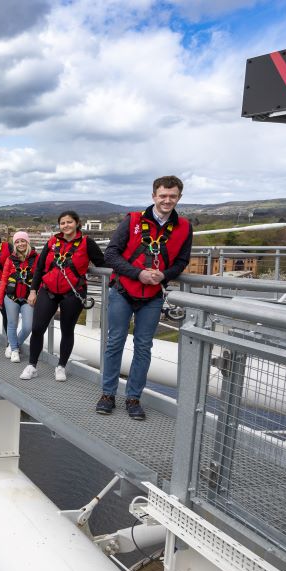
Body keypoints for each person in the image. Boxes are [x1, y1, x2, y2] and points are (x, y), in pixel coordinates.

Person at [98, 176, 192, 420]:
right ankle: (108, 394)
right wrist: (138, 273)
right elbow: (111, 254)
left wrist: (164, 275)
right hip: (123, 290)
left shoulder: (184, 227)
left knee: (143, 347)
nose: (167, 200)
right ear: (154, 196)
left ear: (179, 197)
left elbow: (181, 261)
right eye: (163, 195)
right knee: (115, 342)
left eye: (172, 196)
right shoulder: (132, 221)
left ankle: (133, 398)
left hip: (152, 296)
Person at [20, 210, 104, 381]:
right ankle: (32, 365)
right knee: (37, 328)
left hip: (73, 292)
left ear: (77, 223)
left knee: (67, 329)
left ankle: (61, 366)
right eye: (63, 223)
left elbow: (102, 263)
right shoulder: (52, 242)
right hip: (48, 289)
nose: (66, 225)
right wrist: (33, 290)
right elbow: (40, 266)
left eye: (69, 222)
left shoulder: (87, 243)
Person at [0, 231, 37, 363]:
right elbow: (3, 279)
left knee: (28, 326)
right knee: (12, 324)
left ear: (27, 242)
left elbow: (39, 278)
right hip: (11, 296)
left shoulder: (35, 258)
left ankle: (15, 344)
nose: (20, 244)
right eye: (17, 242)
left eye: (23, 241)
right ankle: (14, 350)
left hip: (28, 298)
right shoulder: (10, 259)